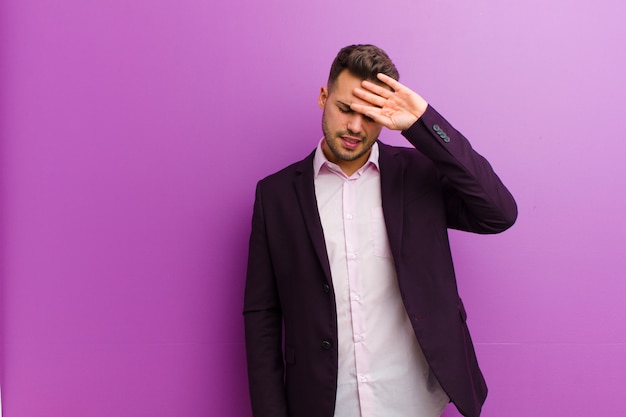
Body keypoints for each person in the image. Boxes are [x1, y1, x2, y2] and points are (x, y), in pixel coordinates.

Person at [243, 44, 517, 417]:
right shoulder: (276, 195)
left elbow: (499, 212)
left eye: (370, 114)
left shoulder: (419, 175)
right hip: (324, 403)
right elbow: (262, 314)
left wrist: (424, 122)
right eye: (345, 109)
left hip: (415, 402)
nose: (356, 126)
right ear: (324, 97)